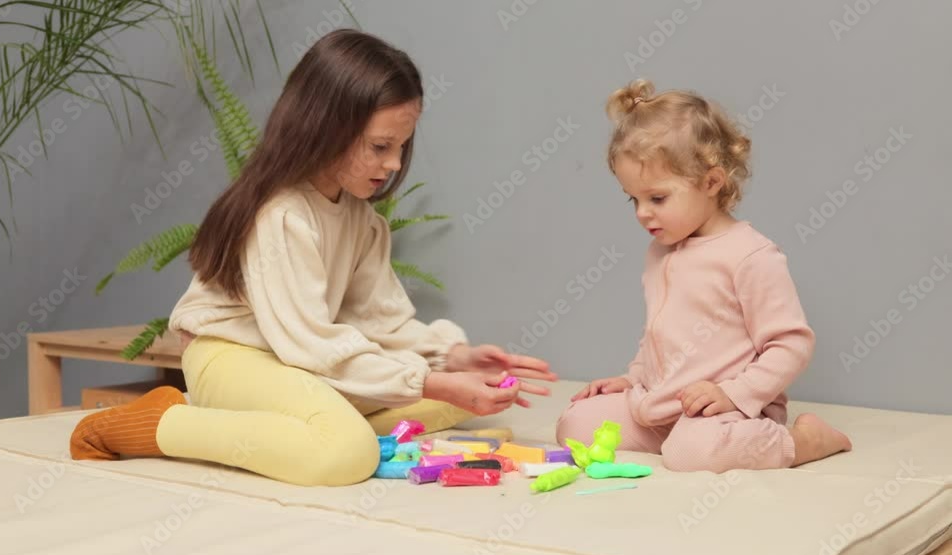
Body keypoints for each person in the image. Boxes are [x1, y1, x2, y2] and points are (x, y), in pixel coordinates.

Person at [70, 29, 556, 486]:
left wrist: (452, 358)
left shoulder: (362, 221)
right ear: (327, 128)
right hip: (232, 357)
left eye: (401, 147)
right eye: (380, 146)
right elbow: (311, 344)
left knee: (457, 397)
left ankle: (328, 420)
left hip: (296, 360)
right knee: (347, 453)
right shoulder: (281, 215)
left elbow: (381, 321)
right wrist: (430, 382)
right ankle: (159, 423)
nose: (393, 164)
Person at [556, 79, 851, 473]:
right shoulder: (659, 252)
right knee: (575, 423)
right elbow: (658, 336)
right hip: (662, 404)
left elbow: (790, 344)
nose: (642, 213)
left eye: (657, 198)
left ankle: (804, 440)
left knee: (690, 453)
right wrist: (632, 378)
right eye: (634, 199)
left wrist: (735, 393)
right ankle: (675, 434)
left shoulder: (750, 255)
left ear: (711, 182)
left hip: (728, 409)